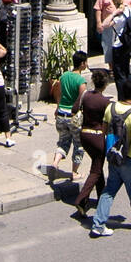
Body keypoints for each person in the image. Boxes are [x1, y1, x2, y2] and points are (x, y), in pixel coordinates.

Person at [89, 77, 131, 236]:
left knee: (109, 191)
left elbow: (104, 131)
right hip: (129, 159)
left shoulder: (110, 108)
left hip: (113, 158)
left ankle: (98, 224)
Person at [73, 68, 111, 216]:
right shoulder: (105, 102)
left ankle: (102, 194)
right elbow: (110, 122)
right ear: (105, 85)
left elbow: (74, 109)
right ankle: (82, 199)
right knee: (96, 169)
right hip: (97, 137)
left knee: (97, 164)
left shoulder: (85, 95)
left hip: (84, 135)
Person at [50, 50, 89, 179]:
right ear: (82, 63)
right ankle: (74, 172)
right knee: (79, 145)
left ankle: (55, 163)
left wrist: (57, 108)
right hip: (73, 116)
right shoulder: (81, 81)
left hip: (61, 114)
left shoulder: (64, 76)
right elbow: (83, 98)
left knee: (63, 142)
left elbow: (59, 94)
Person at [101, 0, 131, 99]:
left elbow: (104, 24)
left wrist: (114, 13)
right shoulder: (128, 9)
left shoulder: (118, 16)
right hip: (127, 44)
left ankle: (122, 97)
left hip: (118, 45)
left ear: (114, 2)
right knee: (126, 70)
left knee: (119, 73)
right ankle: (129, 94)